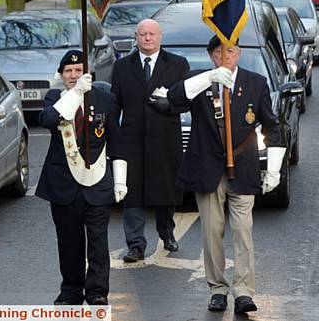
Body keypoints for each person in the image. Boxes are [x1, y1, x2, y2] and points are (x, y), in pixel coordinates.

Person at [167, 36, 284, 314]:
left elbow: (272, 125)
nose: (225, 56)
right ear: (210, 56)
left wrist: (274, 169)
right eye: (218, 52)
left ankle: (243, 290)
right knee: (212, 232)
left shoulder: (255, 83)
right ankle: (217, 288)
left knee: (243, 231)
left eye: (230, 51)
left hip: (242, 167)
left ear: (239, 53)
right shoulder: (199, 80)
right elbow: (174, 98)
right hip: (207, 167)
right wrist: (209, 78)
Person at [36, 50, 127, 305]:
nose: (73, 75)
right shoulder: (56, 98)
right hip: (63, 184)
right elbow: (49, 120)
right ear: (61, 75)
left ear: (88, 73)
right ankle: (71, 290)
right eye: (68, 72)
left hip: (97, 182)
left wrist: (120, 180)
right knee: (69, 241)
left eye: (78, 71)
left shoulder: (105, 99)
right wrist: (76, 94)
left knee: (98, 242)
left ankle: (97, 291)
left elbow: (117, 142)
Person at [110, 19, 190, 262]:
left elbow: (186, 100)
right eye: (142, 34)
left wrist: (171, 105)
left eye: (151, 34)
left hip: (165, 140)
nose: (147, 38)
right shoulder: (123, 67)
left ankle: (166, 232)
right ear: (136, 37)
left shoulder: (177, 64)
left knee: (165, 191)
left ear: (160, 36)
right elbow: (115, 104)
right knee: (132, 193)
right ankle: (135, 244)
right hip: (132, 140)